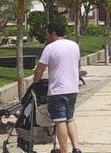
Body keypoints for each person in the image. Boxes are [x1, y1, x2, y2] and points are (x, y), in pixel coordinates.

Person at [34, 22, 83, 153]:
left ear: (53, 33)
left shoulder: (50, 48)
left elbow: (40, 69)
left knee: (59, 121)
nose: (46, 36)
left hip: (57, 90)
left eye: (47, 33)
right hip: (73, 88)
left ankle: (63, 150)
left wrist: (35, 81)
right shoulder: (74, 46)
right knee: (70, 118)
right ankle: (76, 148)